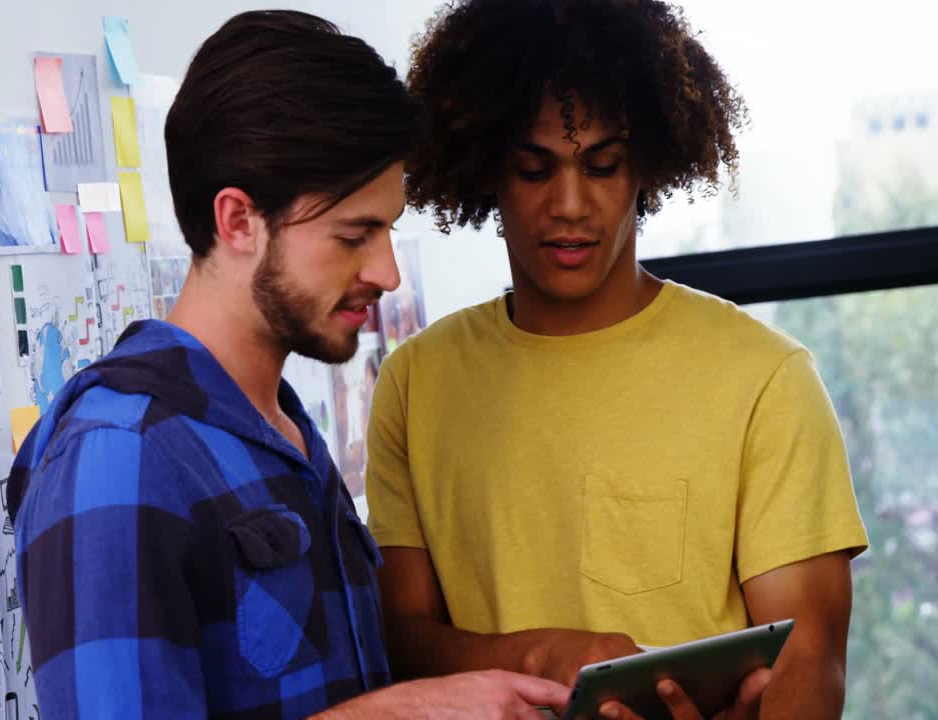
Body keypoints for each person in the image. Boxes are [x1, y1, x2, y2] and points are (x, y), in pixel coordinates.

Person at [5, 11, 567, 720]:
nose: (388, 272)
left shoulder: (283, 433)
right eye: (354, 235)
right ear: (239, 221)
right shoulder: (119, 453)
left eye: (387, 230)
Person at [367, 2, 870, 719]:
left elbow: (811, 658)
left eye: (602, 166)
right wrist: (537, 658)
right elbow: (400, 640)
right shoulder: (415, 384)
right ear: (486, 172)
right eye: (533, 169)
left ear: (650, 167)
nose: (569, 204)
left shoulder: (764, 379)